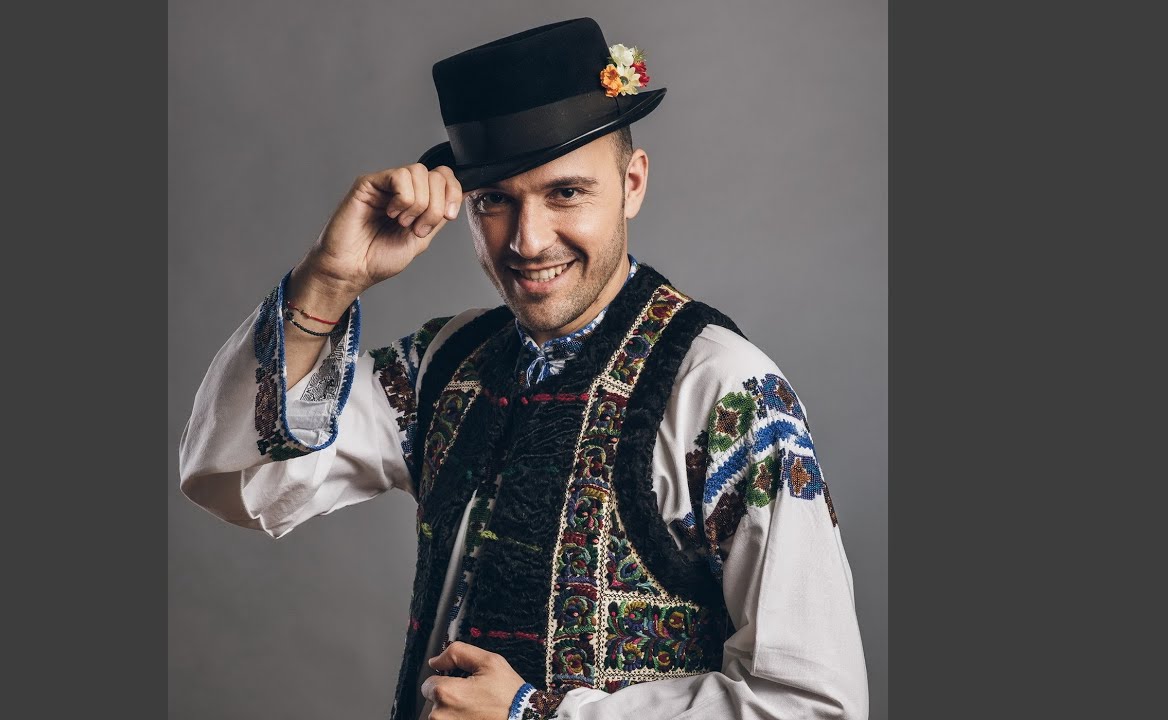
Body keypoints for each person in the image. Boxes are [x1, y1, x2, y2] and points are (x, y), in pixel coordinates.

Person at [179, 17, 868, 720]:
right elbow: (244, 483)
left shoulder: (725, 393)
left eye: (565, 193)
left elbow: (812, 704)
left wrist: (536, 714)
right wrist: (329, 280)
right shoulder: (447, 364)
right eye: (496, 201)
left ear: (631, 183)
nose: (529, 241)